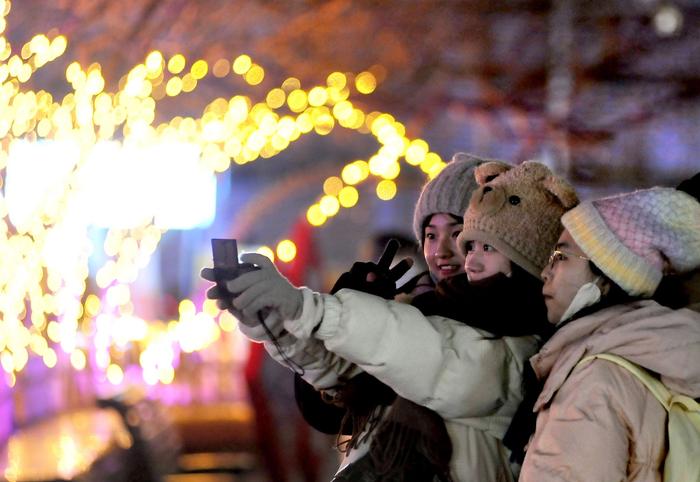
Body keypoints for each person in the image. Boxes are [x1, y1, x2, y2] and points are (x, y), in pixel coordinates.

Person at [202, 159, 578, 481]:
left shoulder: (523, 338)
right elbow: (342, 384)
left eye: (464, 235)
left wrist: (313, 310)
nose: (445, 251)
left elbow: (433, 358)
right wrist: (278, 317)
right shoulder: (425, 313)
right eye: (431, 235)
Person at [515, 187, 700, 482]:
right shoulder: (651, 357)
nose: (546, 272)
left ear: (605, 279)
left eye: (561, 256)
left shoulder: (592, 383)